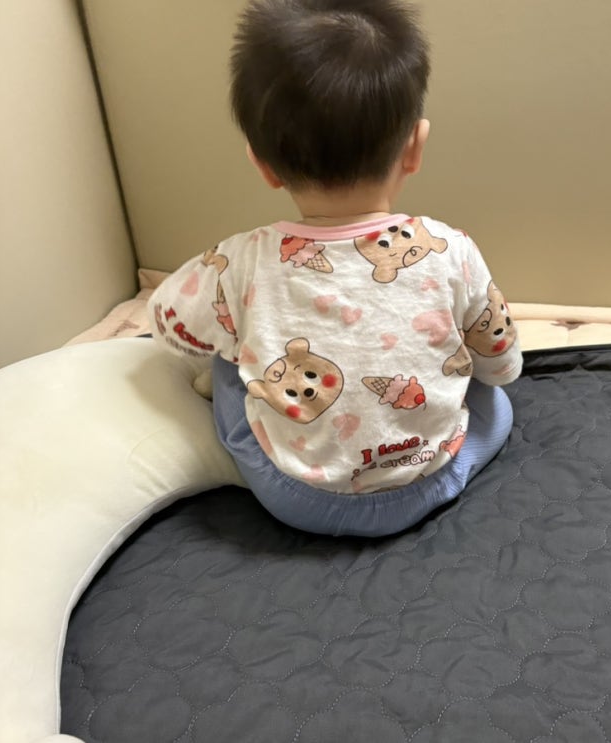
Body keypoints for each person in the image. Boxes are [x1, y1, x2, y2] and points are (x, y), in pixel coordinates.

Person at [148, 0, 523, 537]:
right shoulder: (451, 248)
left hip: (296, 498)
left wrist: (228, 344)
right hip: (433, 479)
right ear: (414, 147)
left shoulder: (238, 261)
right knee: (496, 404)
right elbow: (500, 362)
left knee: (230, 356)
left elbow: (167, 324)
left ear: (263, 164)